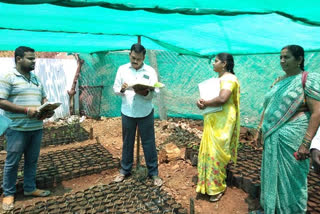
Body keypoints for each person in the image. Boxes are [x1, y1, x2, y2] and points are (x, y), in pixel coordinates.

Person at [255, 45, 320, 214]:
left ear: (299, 60)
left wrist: (306, 144)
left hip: (293, 139)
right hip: (272, 136)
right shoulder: (279, 81)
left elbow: (317, 113)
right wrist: (260, 129)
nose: (282, 61)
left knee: (292, 179)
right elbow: (268, 106)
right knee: (271, 174)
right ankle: (271, 209)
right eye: (281, 57)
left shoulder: (308, 79)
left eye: (287, 57)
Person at [0, 46, 54, 211]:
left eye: (34, 58)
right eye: (30, 59)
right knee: (12, 162)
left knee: (32, 160)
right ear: (18, 59)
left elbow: (43, 98)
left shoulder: (36, 79)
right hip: (17, 128)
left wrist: (47, 110)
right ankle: (8, 193)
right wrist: (25, 110)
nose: (34, 61)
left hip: (36, 127)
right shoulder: (8, 77)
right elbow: (1, 101)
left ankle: (30, 188)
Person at [112, 43, 162, 187]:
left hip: (145, 111)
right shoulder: (122, 70)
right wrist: (121, 89)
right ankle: (125, 170)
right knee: (127, 141)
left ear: (144, 58)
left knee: (149, 143)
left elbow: (155, 91)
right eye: (133, 58)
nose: (135, 61)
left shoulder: (150, 71)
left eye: (138, 59)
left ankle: (153, 173)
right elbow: (116, 89)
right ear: (130, 55)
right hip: (127, 111)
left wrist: (145, 92)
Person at [196, 53, 240, 202]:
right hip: (213, 120)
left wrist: (206, 103)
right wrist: (202, 103)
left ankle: (217, 187)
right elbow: (211, 100)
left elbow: (222, 99)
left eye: (216, 61)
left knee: (217, 153)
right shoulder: (216, 81)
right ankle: (206, 185)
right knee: (209, 151)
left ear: (224, 63)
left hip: (223, 122)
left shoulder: (230, 79)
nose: (213, 64)